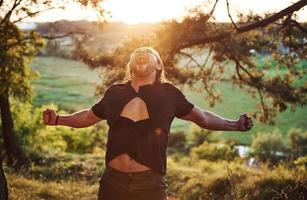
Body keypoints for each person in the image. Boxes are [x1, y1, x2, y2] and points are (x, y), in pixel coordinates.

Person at [43, 47, 254, 200]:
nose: (142, 52)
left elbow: (203, 118)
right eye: (137, 52)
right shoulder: (115, 92)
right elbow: (88, 117)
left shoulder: (170, 94)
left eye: (149, 52)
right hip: (112, 183)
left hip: (150, 186)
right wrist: (59, 120)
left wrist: (235, 125)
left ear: (159, 64)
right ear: (130, 64)